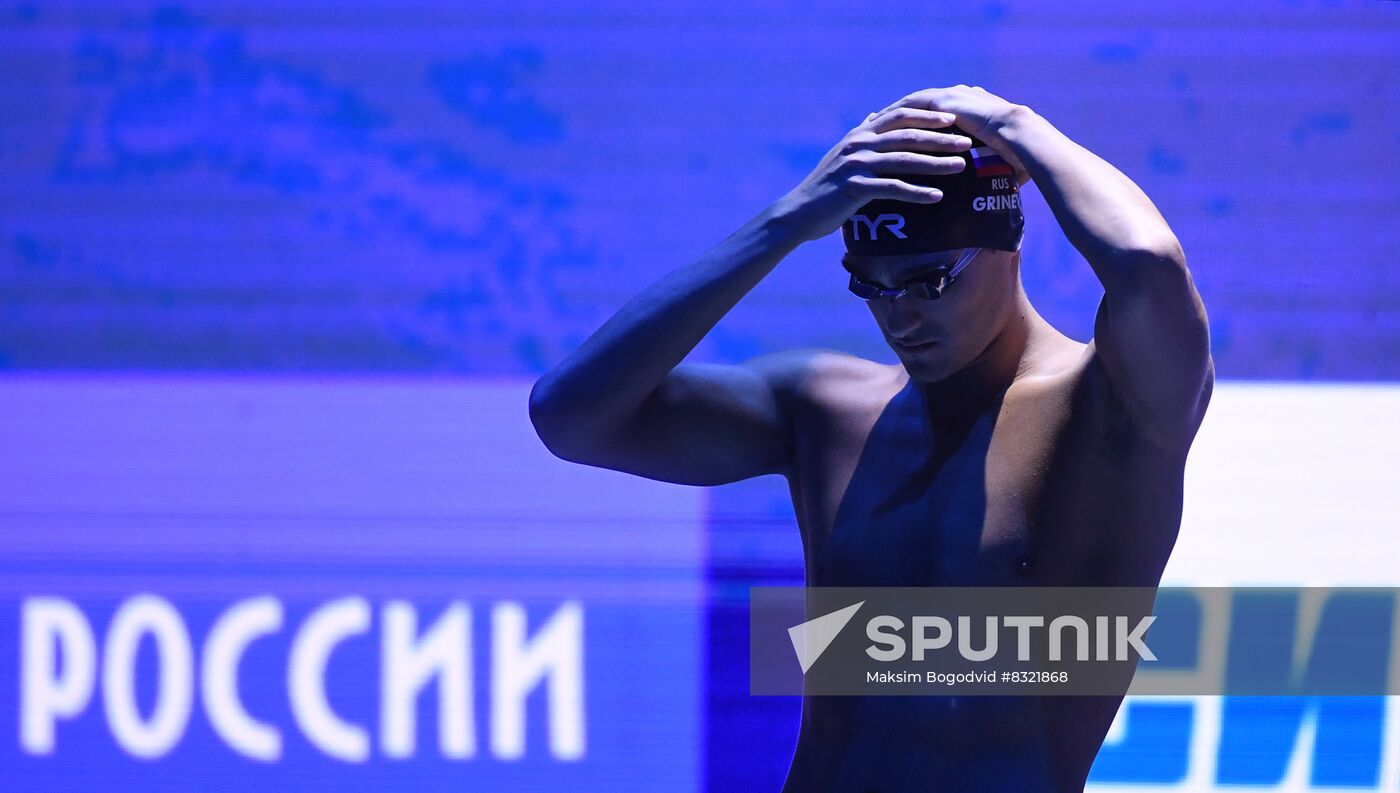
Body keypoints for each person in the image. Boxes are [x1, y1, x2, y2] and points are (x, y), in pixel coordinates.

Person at [529, 84, 1213, 792]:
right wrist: (785, 223)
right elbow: (568, 414)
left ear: (1005, 242)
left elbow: (1148, 263)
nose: (901, 316)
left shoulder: (1111, 409)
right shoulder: (825, 409)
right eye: (872, 287)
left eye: (927, 280)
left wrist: (1014, 127)